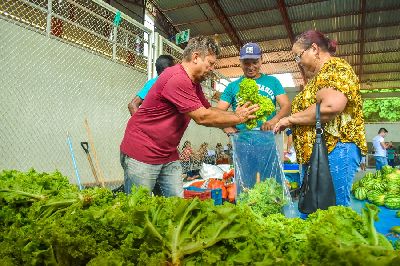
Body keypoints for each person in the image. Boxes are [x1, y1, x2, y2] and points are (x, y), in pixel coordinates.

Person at [120, 36, 259, 196]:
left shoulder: (193, 82)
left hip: (168, 153)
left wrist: (233, 121)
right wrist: (238, 117)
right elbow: (202, 117)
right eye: (210, 63)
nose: (212, 68)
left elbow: (209, 110)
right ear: (195, 57)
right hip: (143, 152)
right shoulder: (177, 78)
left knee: (176, 206)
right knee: (139, 208)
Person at [273, 30, 368, 208]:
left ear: (314, 49)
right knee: (313, 211)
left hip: (335, 150)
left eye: (298, 56)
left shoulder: (336, 68)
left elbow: (330, 107)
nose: (298, 62)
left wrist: (290, 120)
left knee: (333, 212)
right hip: (316, 155)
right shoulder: (318, 78)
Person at [217, 42, 291, 133]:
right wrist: (226, 127)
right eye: (246, 63)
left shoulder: (273, 81)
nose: (251, 67)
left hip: (268, 140)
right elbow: (218, 113)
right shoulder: (232, 86)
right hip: (241, 141)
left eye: (255, 62)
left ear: (261, 60)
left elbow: (286, 106)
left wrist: (273, 121)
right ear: (240, 62)